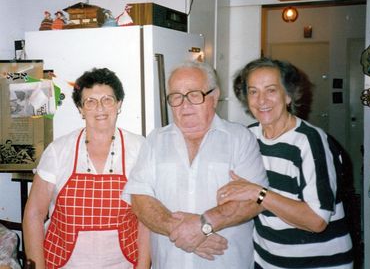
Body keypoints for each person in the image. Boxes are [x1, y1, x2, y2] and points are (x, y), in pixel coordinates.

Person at [122, 61, 268, 269]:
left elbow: (254, 201)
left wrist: (204, 225)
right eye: (176, 97)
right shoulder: (155, 140)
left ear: (214, 97)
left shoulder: (240, 138)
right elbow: (140, 200)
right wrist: (187, 232)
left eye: (194, 94)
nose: (184, 105)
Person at [217, 57, 353, 268]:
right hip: (267, 261)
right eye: (253, 91)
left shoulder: (310, 141)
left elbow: (316, 221)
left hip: (319, 264)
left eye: (271, 90)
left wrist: (258, 193)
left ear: (288, 95)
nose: (261, 100)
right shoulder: (247, 137)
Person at [23, 68, 150, 269]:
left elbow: (146, 220)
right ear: (81, 109)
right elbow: (34, 214)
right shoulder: (58, 150)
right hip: (63, 264)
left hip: (124, 264)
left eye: (107, 100)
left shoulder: (140, 148)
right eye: (90, 102)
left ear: (119, 104)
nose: (100, 108)